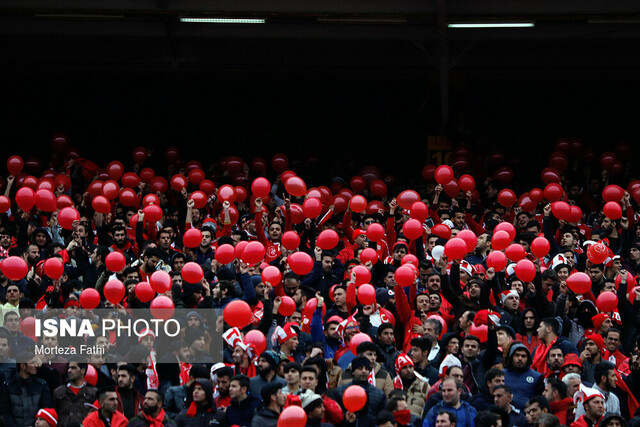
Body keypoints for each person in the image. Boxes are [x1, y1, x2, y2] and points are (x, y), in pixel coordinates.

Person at [0, 351, 52, 426]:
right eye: (32, 363)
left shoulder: (41, 385)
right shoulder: (7, 385)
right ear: (23, 366)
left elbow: (45, 409)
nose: (36, 365)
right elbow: (5, 412)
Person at [53, 360, 98, 427]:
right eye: (69, 368)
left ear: (82, 370)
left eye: (73, 368)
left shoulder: (93, 393)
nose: (69, 370)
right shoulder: (58, 392)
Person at [503, 342, 544, 411]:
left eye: (523, 356)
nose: (520, 358)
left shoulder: (536, 377)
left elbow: (539, 401)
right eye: (517, 355)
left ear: (528, 358)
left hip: (527, 416)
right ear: (511, 356)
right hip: (504, 415)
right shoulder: (501, 374)